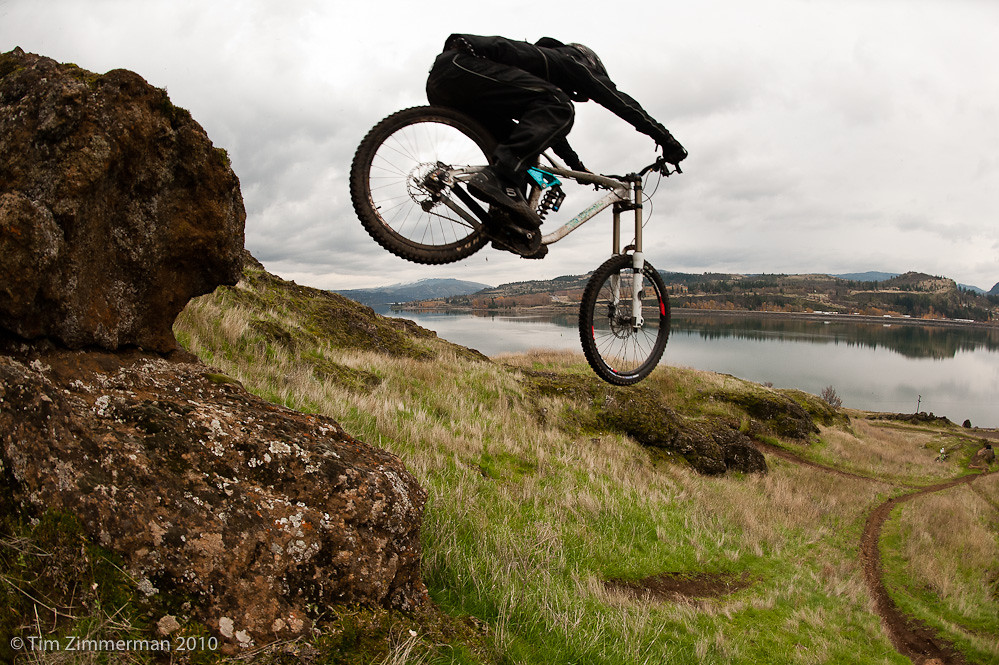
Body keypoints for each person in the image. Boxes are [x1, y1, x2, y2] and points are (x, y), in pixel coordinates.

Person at [426, 33, 687, 257]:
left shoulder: (532, 74)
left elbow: (550, 133)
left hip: (446, 83)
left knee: (524, 145)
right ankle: (499, 178)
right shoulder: (571, 61)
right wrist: (666, 140)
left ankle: (507, 227)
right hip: (462, 66)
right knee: (559, 106)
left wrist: (583, 172)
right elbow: (620, 102)